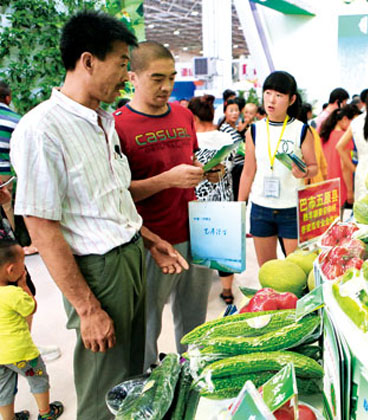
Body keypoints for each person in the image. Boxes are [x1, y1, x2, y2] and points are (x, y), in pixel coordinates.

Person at [10, 12, 187, 420]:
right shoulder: (43, 129)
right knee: (102, 388)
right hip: (97, 273)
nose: (127, 75)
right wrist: (88, 309)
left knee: (129, 379)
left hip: (130, 259)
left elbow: (111, 202)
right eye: (123, 63)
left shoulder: (102, 122)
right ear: (88, 61)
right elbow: (42, 225)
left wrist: (151, 240)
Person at [113, 41, 214, 369]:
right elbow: (116, 193)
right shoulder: (117, 126)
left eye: (171, 77)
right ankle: (145, 383)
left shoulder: (184, 116)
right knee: (146, 322)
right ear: (133, 77)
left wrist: (209, 172)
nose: (166, 86)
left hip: (194, 232)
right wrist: (168, 179)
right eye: (157, 78)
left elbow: (191, 162)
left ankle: (192, 375)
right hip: (148, 240)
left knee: (195, 318)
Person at [238, 71, 317, 266]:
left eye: (279, 95)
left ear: (291, 100)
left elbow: (314, 167)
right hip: (260, 209)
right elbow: (248, 171)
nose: (271, 100)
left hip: (291, 208)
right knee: (267, 271)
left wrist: (306, 171)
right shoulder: (254, 130)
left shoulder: (301, 130)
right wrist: (240, 205)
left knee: (296, 270)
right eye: (267, 93)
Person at [0, 240, 64, 420]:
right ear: (11, 270)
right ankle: (45, 413)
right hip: (22, 353)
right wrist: (23, 285)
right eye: (23, 262)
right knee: (38, 378)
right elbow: (30, 308)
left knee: (3, 387)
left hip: (0, 356)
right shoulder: (13, 294)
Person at [188, 94, 238, 304]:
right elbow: (233, 166)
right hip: (223, 201)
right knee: (223, 250)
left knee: (197, 250)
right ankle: (227, 291)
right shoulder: (226, 139)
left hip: (197, 203)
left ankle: (196, 293)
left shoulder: (192, 142)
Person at [319, 104, 361, 208]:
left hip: (324, 186)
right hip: (341, 187)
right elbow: (345, 167)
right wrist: (350, 191)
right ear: (345, 119)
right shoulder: (344, 138)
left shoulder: (324, 135)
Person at [217, 98, 246, 200]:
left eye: (236, 110)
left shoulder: (235, 128)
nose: (235, 113)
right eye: (231, 110)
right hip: (236, 171)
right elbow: (242, 150)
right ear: (225, 112)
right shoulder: (226, 129)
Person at [298, 102, 327, 184]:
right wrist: (325, 177)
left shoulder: (295, 132)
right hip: (317, 180)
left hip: (302, 183)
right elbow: (322, 160)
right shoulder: (313, 132)